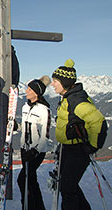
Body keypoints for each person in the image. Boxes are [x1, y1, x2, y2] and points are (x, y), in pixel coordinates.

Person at [51, 59, 107, 210]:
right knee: (68, 186)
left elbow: (99, 122)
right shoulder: (68, 97)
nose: (52, 84)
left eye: (55, 81)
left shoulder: (76, 100)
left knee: (67, 189)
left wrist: (92, 146)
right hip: (69, 149)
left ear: (65, 82)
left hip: (77, 150)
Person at [17, 75, 51, 210]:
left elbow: (45, 135)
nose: (26, 91)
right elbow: (25, 127)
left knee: (22, 180)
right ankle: (39, 207)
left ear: (36, 93)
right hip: (24, 149)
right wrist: (16, 127)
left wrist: (35, 151)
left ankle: (28, 206)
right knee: (31, 180)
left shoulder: (44, 110)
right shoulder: (25, 107)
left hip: (36, 152)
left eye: (29, 90)